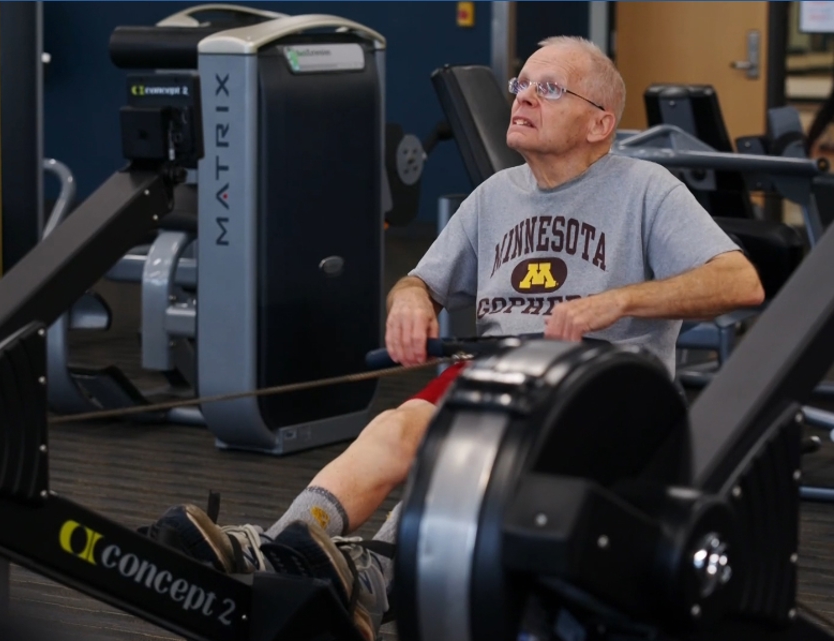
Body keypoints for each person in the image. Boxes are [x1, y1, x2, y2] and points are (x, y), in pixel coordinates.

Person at [144, 35, 766, 641]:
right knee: (396, 430)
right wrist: (410, 305)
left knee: (464, 463)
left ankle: (371, 576)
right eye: (522, 84)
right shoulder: (495, 195)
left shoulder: (646, 189)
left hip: (602, 389)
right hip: (498, 373)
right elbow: (419, 281)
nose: (522, 97)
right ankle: (281, 554)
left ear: (599, 123)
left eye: (549, 88)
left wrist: (619, 299)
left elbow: (740, 282)